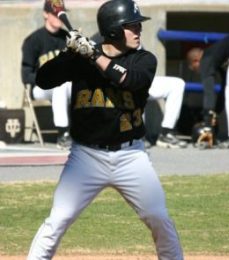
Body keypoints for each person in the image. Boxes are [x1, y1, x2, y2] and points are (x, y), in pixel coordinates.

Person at [26, 0, 184, 259]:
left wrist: (93, 55)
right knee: (57, 220)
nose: (138, 30)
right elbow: (43, 79)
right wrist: (70, 54)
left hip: (131, 157)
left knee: (159, 217)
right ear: (113, 30)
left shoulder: (143, 59)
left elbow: (129, 80)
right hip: (86, 157)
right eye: (131, 26)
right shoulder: (83, 58)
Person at [21, 0, 72, 149]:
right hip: (40, 87)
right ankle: (63, 133)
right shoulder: (33, 40)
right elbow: (26, 75)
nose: (60, 18)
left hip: (65, 85)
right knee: (59, 85)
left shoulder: (68, 38)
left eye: (62, 14)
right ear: (45, 14)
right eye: (56, 14)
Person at [187, 33, 229, 149]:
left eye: (195, 69)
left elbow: (209, 92)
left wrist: (208, 122)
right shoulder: (217, 55)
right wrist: (216, 111)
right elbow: (223, 90)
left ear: (195, 61)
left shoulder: (205, 60)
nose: (199, 72)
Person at [146, 76, 187, 148]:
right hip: (124, 80)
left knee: (178, 84)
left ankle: (165, 133)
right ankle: (135, 137)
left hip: (141, 76)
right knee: (133, 83)